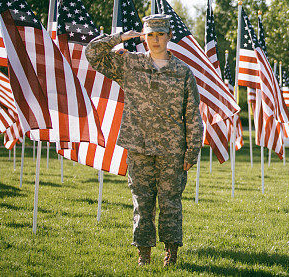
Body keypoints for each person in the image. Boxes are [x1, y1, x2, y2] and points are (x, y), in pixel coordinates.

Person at [86, 14, 203, 266]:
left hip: (172, 149)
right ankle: (144, 253)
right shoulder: (129, 64)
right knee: (142, 202)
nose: (155, 40)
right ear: (143, 37)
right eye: (150, 34)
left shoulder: (182, 72)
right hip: (138, 146)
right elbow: (92, 53)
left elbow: (193, 114)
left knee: (170, 202)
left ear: (169, 36)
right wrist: (119, 38)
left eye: (160, 34)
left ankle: (171, 253)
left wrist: (192, 152)